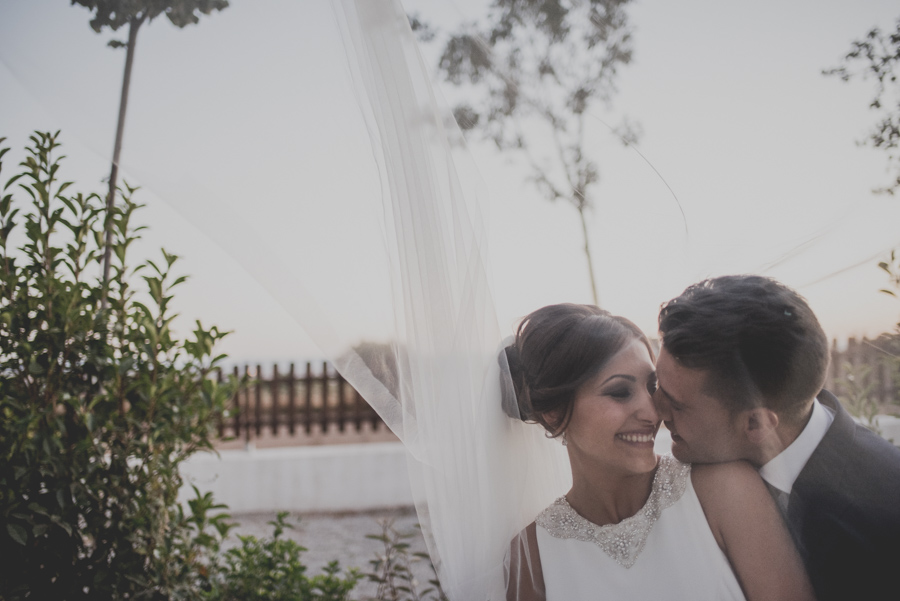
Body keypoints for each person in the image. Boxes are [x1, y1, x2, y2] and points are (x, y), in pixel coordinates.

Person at [503, 303, 814, 601]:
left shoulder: (721, 489)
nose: (653, 413)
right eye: (620, 392)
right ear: (554, 413)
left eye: (653, 386)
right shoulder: (532, 557)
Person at [654, 274, 900, 601]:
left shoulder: (877, 526)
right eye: (656, 385)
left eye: (675, 404)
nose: (655, 410)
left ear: (756, 424)